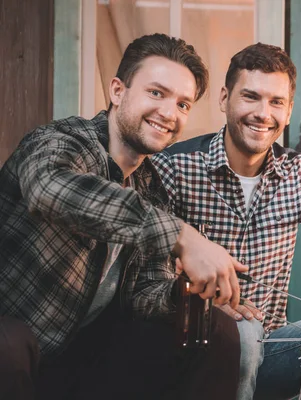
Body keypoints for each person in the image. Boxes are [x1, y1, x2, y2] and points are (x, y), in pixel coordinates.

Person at [0, 33, 247, 400]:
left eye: (183, 104)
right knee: (8, 342)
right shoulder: (61, 141)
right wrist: (184, 236)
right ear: (118, 90)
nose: (169, 113)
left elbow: (143, 295)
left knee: (216, 329)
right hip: (21, 345)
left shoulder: (152, 188)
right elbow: (49, 189)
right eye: (157, 93)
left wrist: (187, 293)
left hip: (84, 359)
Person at [152, 43, 301, 399]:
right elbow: (146, 275)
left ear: (289, 110)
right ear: (224, 98)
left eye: (276, 102)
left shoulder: (296, 172)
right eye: (250, 97)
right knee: (244, 331)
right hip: (191, 356)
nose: (263, 113)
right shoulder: (175, 167)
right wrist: (207, 304)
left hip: (268, 351)